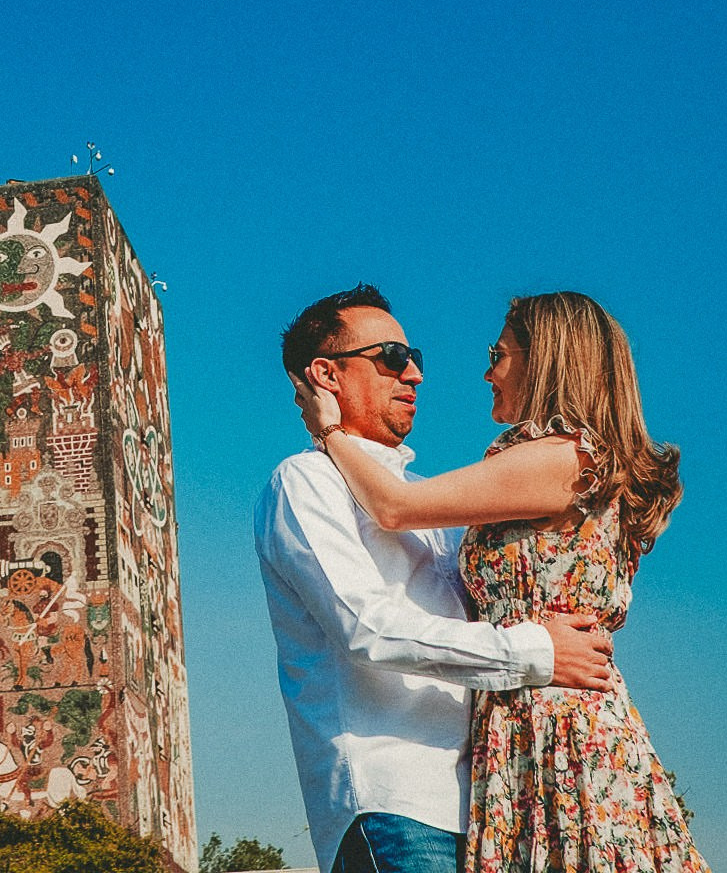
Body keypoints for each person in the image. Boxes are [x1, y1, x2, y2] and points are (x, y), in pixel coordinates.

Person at [299, 291, 707, 873]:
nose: (487, 370)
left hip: (554, 720)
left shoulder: (565, 455)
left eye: (499, 352)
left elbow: (394, 506)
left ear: (545, 359)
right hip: (524, 714)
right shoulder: (566, 459)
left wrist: (329, 433)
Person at [256, 285, 615, 873]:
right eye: (392, 358)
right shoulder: (304, 482)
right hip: (397, 803)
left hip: (492, 804)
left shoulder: (434, 512)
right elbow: (367, 627)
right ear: (326, 375)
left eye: (414, 356)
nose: (416, 373)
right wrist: (536, 651)